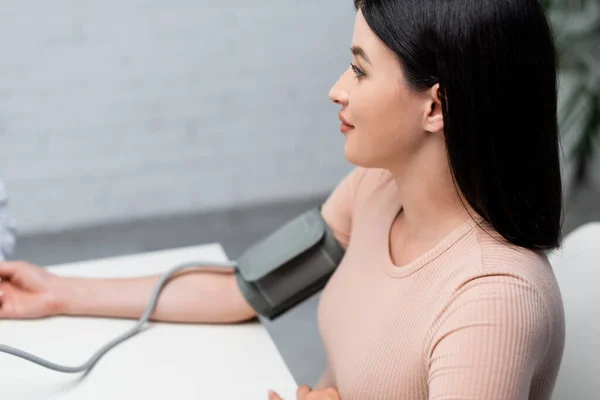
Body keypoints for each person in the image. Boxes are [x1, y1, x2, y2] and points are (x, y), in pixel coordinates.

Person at [0, 0, 565, 399]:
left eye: (360, 71)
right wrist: (57, 292)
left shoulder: (493, 300)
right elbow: (248, 288)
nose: (337, 88)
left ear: (435, 107)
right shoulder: (378, 189)